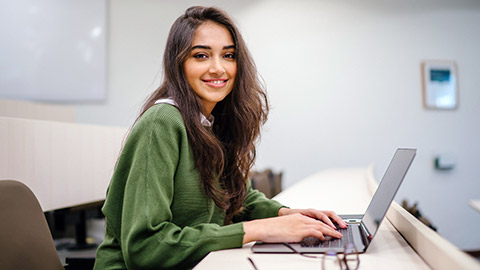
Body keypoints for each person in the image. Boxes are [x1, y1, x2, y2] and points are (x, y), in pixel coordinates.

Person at [93, 6, 347, 270]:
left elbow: (238, 196)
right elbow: (145, 248)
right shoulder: (162, 123)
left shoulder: (209, 122)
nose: (218, 68)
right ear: (178, 64)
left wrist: (285, 214)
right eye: (201, 55)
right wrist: (260, 230)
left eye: (228, 55)